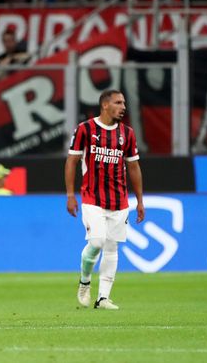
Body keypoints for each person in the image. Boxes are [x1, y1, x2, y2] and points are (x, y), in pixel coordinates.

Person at [65, 89, 144, 310]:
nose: (123, 107)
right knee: (97, 242)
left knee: (112, 248)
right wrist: (71, 194)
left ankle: (103, 298)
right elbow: (71, 162)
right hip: (92, 197)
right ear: (105, 105)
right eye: (118, 102)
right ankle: (84, 281)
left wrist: (140, 200)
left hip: (119, 200)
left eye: (124, 103)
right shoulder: (85, 129)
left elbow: (134, 166)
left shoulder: (127, 133)